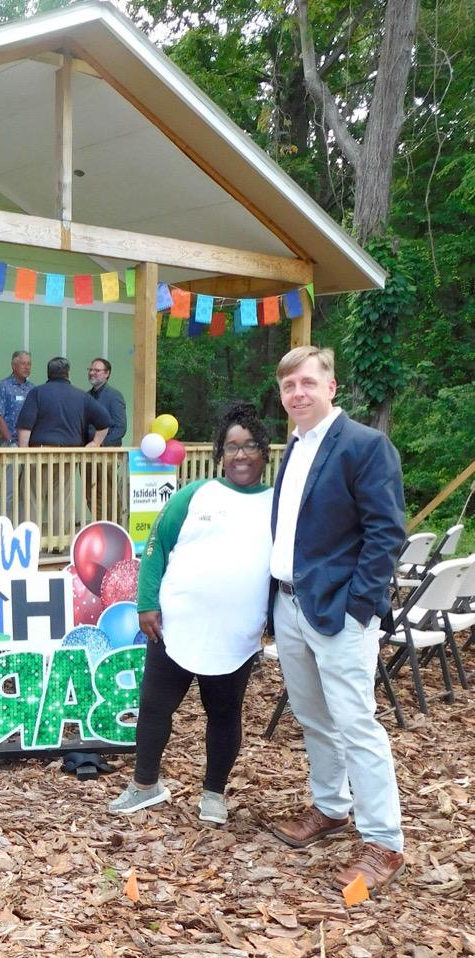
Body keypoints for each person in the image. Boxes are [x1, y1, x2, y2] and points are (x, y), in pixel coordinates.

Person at [267, 345, 407, 893]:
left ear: (331, 387)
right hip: (290, 605)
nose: (297, 393)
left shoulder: (365, 445)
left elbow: (385, 534)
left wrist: (360, 606)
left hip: (341, 610)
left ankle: (384, 842)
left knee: (356, 724)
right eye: (287, 387)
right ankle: (330, 808)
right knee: (313, 716)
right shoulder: (295, 446)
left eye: (306, 383)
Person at [108, 403, 274, 824]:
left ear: (264, 453)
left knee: (223, 714)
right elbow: (156, 548)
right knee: (155, 706)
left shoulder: (277, 506)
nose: (240, 455)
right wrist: (147, 603)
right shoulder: (194, 495)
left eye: (250, 446)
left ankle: (214, 794)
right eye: (231, 447)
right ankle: (145, 785)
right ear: (220, 453)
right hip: (175, 627)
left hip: (236, 635)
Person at [15, 357, 110, 533]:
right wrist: (95, 443)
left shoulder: (38, 393)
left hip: (39, 454)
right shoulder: (81, 396)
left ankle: (30, 540)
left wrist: (23, 452)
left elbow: (25, 426)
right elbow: (105, 420)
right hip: (69, 455)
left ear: (48, 372)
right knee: (62, 499)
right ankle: (59, 541)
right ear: (68, 373)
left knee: (32, 498)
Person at [0, 350, 34, 519]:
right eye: (23, 363)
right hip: (11, 445)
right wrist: (9, 441)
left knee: (27, 491)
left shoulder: (32, 388)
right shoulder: (3, 386)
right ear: (14, 365)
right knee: (7, 490)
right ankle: (2, 526)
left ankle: (22, 527)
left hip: (28, 446)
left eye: (29, 364)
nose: (27, 367)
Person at [86, 358, 127, 447]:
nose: (92, 373)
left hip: (108, 453)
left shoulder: (115, 396)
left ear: (107, 373)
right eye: (90, 370)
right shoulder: (86, 396)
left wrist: (100, 444)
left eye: (97, 370)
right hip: (87, 451)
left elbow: (120, 428)